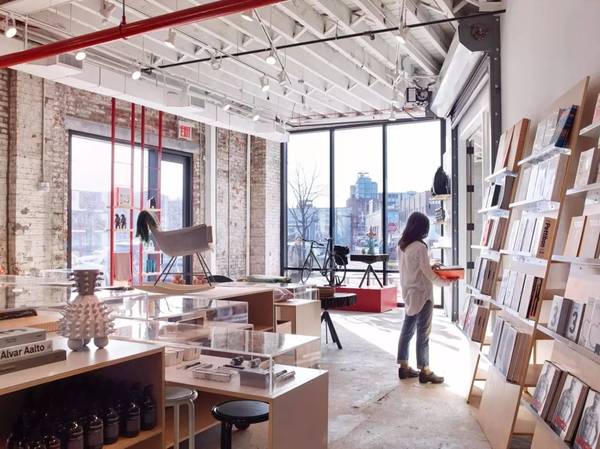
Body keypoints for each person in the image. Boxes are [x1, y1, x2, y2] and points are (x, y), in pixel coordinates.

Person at [397, 211, 452, 384]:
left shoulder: (401, 245)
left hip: (408, 293)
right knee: (423, 333)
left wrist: (428, 266)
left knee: (407, 331)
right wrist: (446, 282)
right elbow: (428, 274)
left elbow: (409, 269)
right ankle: (425, 370)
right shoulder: (420, 247)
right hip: (422, 294)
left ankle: (404, 367)